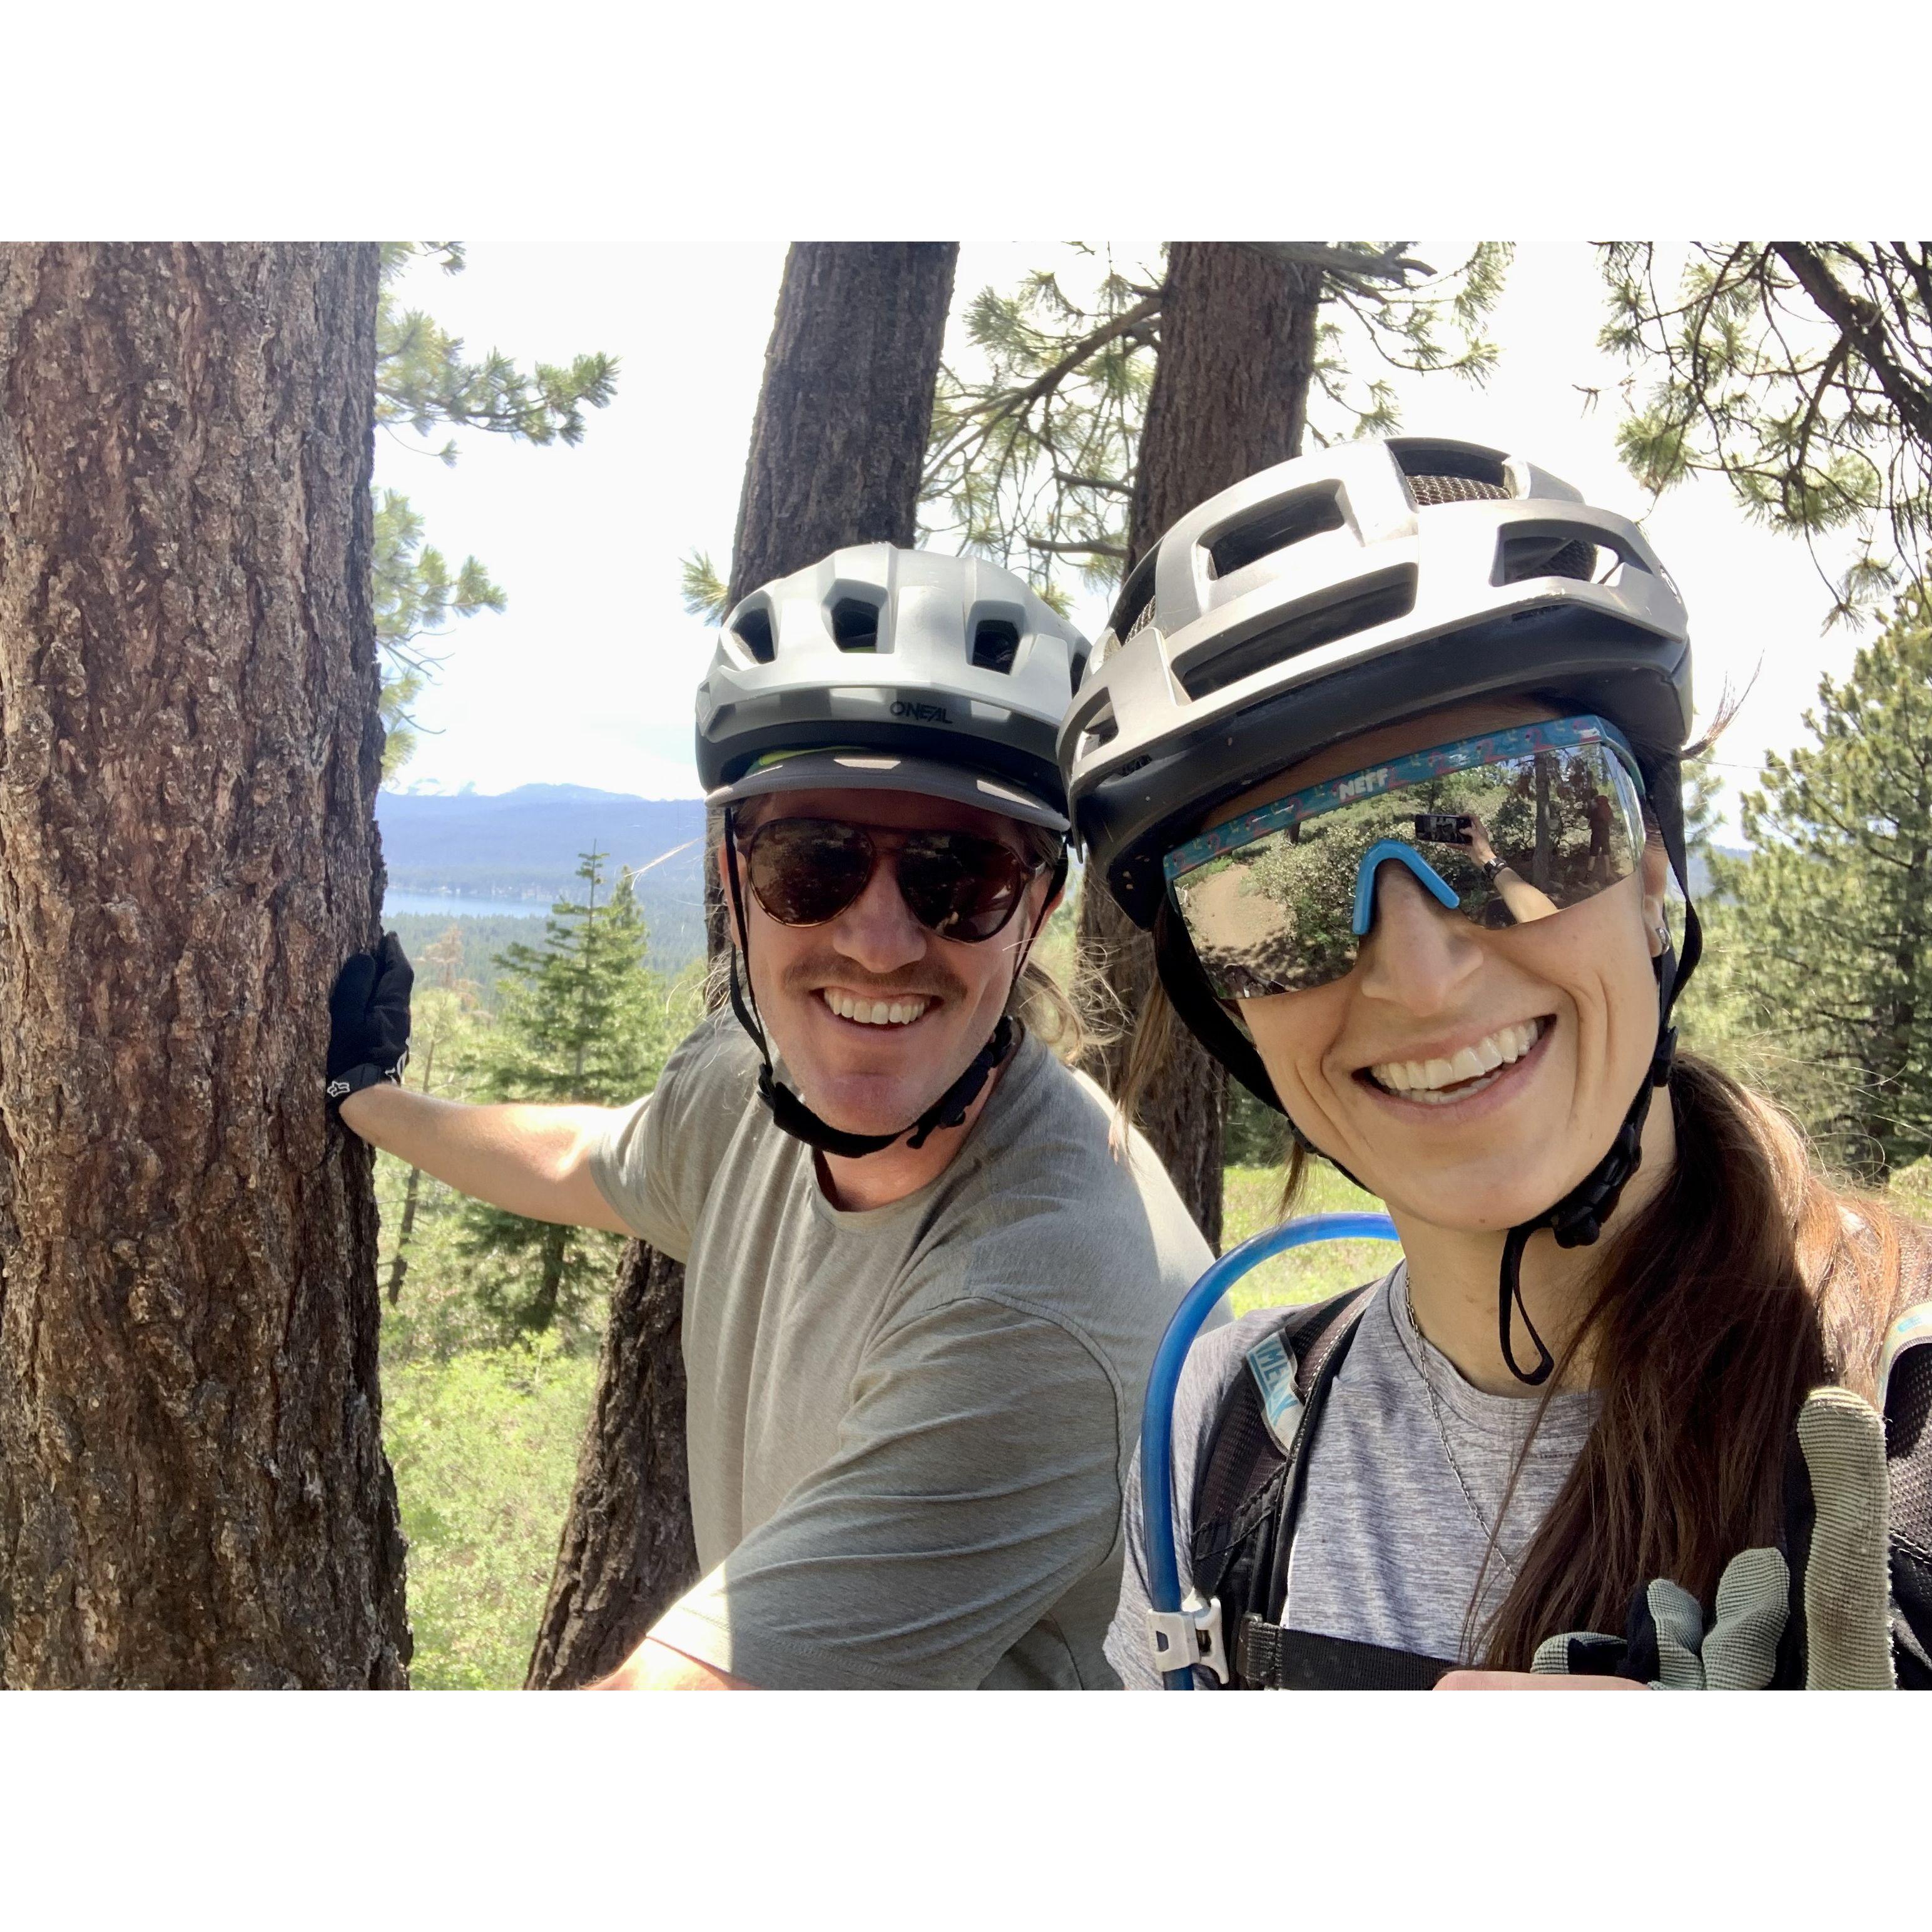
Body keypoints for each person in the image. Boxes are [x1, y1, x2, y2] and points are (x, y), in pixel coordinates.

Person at [1059, 437, 1932, 1690]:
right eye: (1275, 889)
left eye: (1512, 819)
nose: (1417, 974)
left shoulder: (1902, 1428)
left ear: (1646, 869)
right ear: (1223, 994)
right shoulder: (1223, 1433)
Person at [328, 544, 1212, 1690]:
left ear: (1035, 905)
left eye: (960, 877)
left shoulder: (1049, 1293)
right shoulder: (744, 1085)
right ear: (732, 875)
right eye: (814, 863)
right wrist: (372, 1098)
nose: (880, 939)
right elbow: (589, 1159)